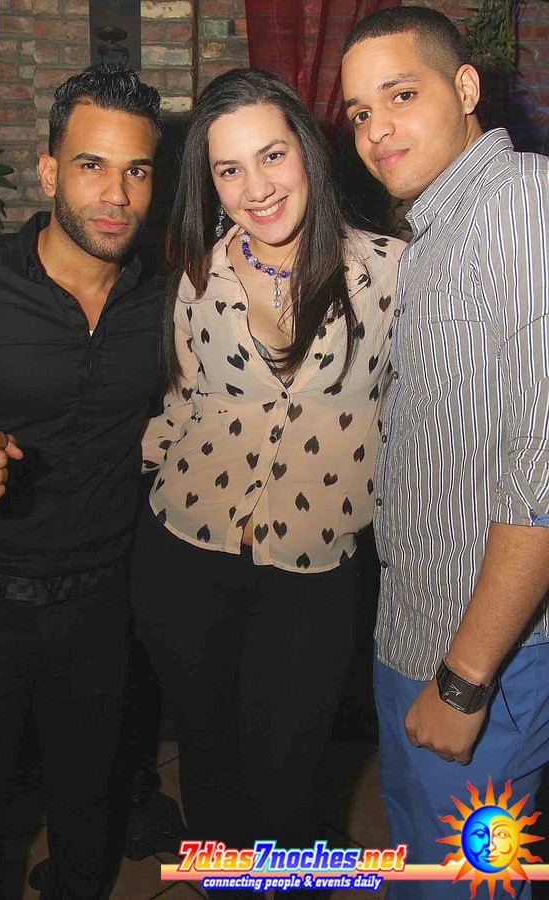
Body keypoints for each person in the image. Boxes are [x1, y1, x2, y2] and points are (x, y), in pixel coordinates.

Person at [132, 65, 404, 876]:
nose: (256, 188)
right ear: (211, 183)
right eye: (229, 169)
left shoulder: (393, 273)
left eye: (272, 155)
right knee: (209, 768)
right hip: (184, 555)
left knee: (289, 784)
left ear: (308, 152)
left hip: (313, 573)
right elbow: (179, 404)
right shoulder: (195, 274)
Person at [340, 7, 549, 899]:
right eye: (359, 111)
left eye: (400, 95)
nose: (376, 130)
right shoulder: (438, 229)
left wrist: (463, 682)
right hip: (419, 631)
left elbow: (543, 476)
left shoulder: (521, 206)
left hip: (487, 659)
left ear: (466, 88)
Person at [0, 63, 164, 899]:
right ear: (48, 172)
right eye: (91, 165)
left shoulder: (167, 300)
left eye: (136, 170)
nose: (116, 194)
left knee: (86, 816)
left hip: (100, 611)